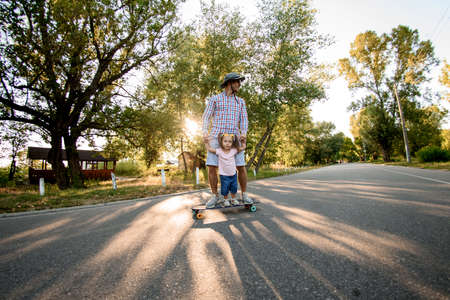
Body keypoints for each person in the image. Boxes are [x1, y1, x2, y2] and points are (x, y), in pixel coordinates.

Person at [202, 72, 253, 208]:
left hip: (234, 138)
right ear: (229, 83)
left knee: (240, 166)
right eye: (237, 82)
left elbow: (244, 120)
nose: (239, 84)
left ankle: (244, 194)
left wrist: (244, 133)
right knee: (212, 166)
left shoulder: (240, 102)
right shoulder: (215, 99)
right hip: (216, 136)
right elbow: (206, 117)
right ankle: (214, 196)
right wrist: (204, 132)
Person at [205, 133, 246, 207]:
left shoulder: (234, 150)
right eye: (225, 141)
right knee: (225, 188)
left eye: (230, 142)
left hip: (233, 174)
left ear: (232, 143)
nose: (227, 143)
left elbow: (243, 148)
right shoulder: (219, 151)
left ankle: (233, 199)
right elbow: (210, 149)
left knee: (234, 188)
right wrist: (206, 142)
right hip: (224, 175)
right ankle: (225, 200)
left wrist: (243, 142)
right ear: (221, 142)